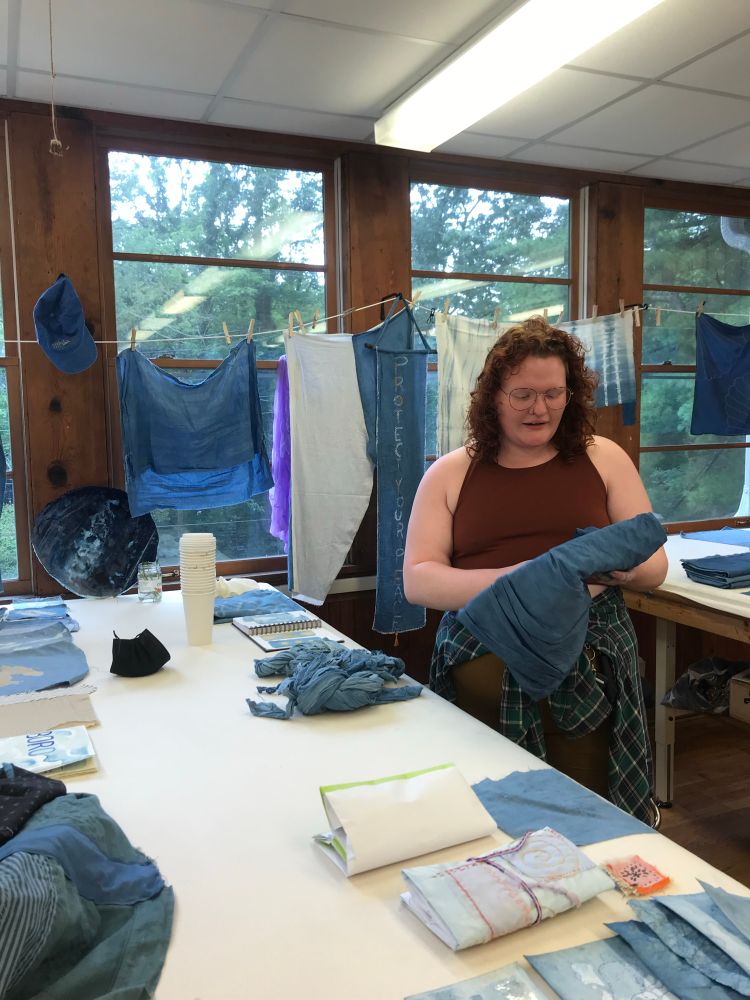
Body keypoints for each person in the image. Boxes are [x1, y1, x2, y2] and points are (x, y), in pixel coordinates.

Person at [403, 315, 667, 821]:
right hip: (482, 673)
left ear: (572, 395)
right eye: (522, 394)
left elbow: (653, 563)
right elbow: (419, 579)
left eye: (553, 393)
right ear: (494, 395)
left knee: (588, 816)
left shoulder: (604, 458)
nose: (539, 408)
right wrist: (529, 579)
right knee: (489, 819)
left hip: (589, 675)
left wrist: (617, 573)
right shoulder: (450, 472)